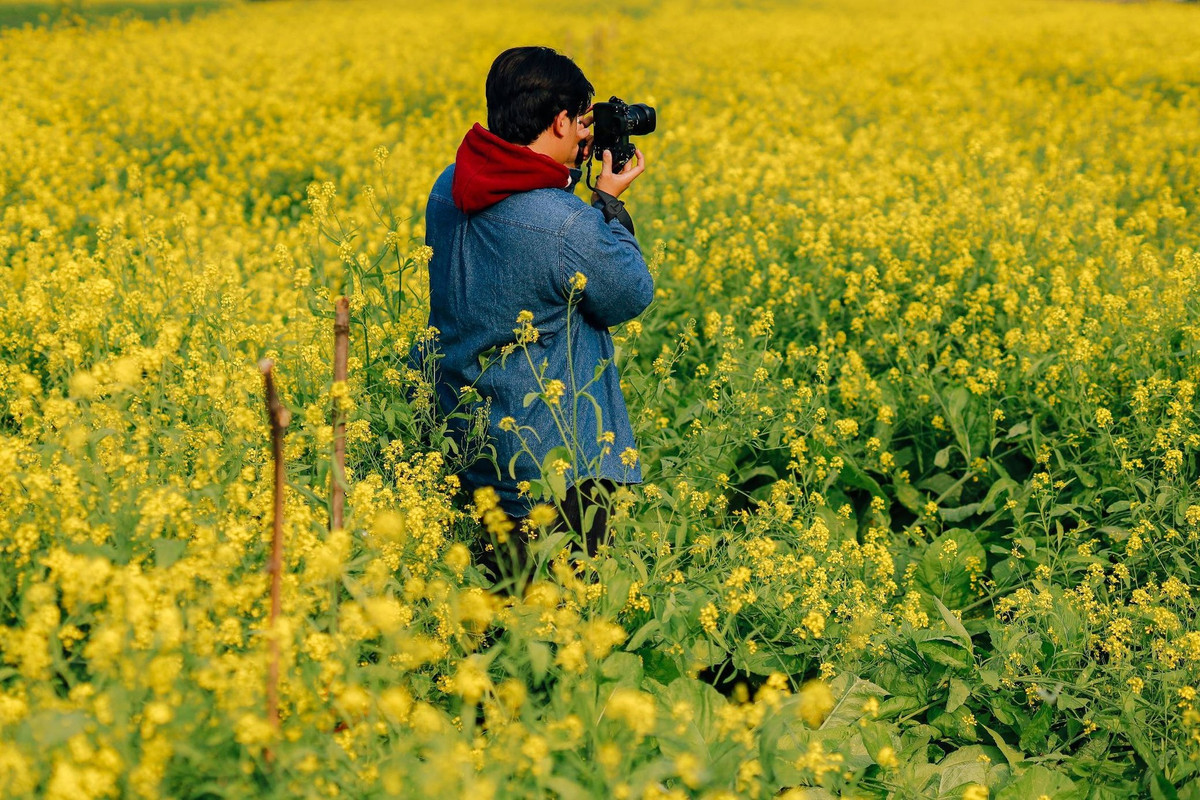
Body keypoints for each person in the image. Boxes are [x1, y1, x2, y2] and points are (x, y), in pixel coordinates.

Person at [408, 46, 653, 591]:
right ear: (561, 120)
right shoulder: (563, 224)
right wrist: (608, 204)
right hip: (556, 466)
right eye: (581, 119)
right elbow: (630, 293)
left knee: (493, 620)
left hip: (467, 442)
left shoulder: (447, 187)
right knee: (565, 628)